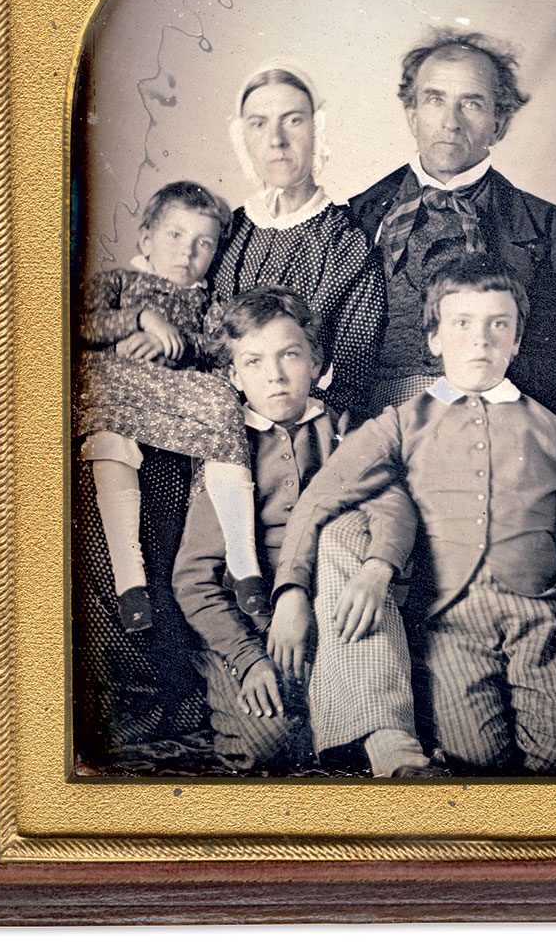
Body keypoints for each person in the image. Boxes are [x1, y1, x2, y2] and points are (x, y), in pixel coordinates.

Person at [271, 255, 556, 776]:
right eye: (462, 324)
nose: (480, 341)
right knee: (476, 756)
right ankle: (400, 740)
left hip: (536, 613)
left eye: (497, 326)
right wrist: (292, 589)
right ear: (434, 339)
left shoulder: (553, 428)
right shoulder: (399, 423)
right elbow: (321, 498)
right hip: (449, 616)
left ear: (516, 342)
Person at [171, 286, 429, 776]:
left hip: (330, 607)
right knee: (267, 749)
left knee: (359, 722)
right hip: (247, 626)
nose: (275, 375)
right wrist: (247, 658)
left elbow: (392, 507)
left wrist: (377, 568)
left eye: (290, 355)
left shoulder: (343, 429)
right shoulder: (225, 447)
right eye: (253, 361)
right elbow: (193, 579)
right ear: (233, 375)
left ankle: (376, 738)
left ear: (316, 362)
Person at [348, 30, 556, 419]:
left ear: (499, 123)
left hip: (507, 426)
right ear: (412, 115)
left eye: (472, 104)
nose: (450, 122)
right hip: (381, 425)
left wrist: (492, 364)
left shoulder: (545, 226)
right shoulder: (359, 216)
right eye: (434, 100)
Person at [74, 180, 258, 632]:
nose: (187, 252)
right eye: (175, 235)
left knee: (222, 399)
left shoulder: (210, 302)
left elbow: (219, 348)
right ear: (145, 239)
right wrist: (140, 319)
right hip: (122, 390)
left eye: (203, 244)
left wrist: (172, 345)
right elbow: (78, 323)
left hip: (178, 399)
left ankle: (243, 556)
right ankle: (129, 576)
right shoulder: (118, 282)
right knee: (101, 404)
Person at [212, 66, 386, 419]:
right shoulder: (224, 231)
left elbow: (354, 376)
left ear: (316, 131)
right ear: (242, 137)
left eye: (292, 120)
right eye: (259, 124)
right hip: (217, 420)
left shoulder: (346, 241)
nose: (276, 139)